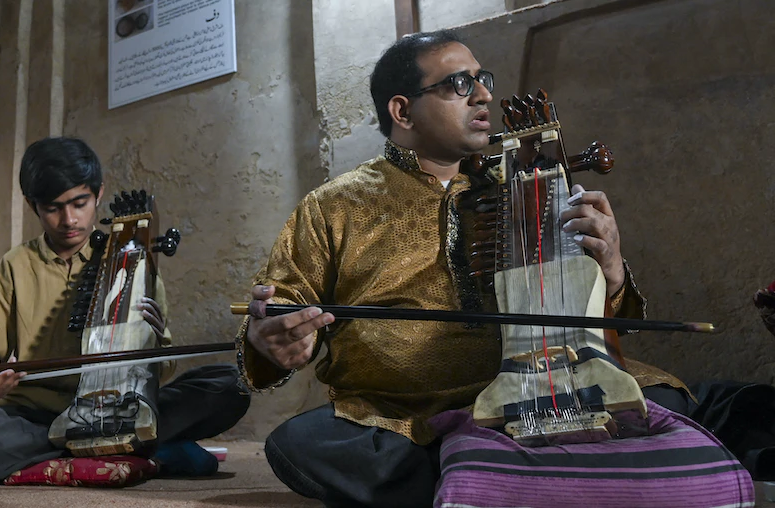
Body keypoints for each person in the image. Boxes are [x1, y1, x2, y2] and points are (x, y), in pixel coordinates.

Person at [238, 31, 710, 506]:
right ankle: (522, 470)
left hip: (544, 390)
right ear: (403, 111)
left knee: (666, 397)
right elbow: (282, 309)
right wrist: (269, 339)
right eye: (460, 84)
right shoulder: (333, 206)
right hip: (405, 417)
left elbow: (605, 328)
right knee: (301, 443)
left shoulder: (530, 186)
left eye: (482, 79)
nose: (484, 95)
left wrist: (611, 270)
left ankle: (477, 476)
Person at [0, 136, 249, 482]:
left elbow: (161, 370)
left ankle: (64, 450)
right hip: (29, 417)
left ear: (99, 194)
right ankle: (113, 449)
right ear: (32, 205)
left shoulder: (131, 257)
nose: (69, 220)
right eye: (54, 207)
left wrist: (155, 342)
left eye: (80, 203)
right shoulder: (15, 265)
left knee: (229, 384)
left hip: (121, 408)